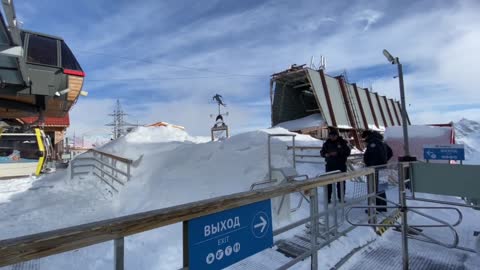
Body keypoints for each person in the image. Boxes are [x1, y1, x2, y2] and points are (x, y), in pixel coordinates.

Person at [362, 130, 393, 212]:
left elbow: (371, 156)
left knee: (374, 189)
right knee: (381, 188)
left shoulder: (373, 143)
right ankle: (383, 207)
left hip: (375, 169)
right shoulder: (382, 142)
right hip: (383, 167)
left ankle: (376, 208)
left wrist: (370, 164)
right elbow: (390, 152)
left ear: (368, 136)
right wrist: (384, 161)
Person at [320, 129, 351, 203]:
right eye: (330, 136)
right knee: (328, 182)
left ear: (337, 136)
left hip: (340, 165)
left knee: (341, 182)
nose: (332, 137)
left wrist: (337, 153)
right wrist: (325, 154)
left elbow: (347, 152)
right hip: (330, 165)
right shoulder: (326, 143)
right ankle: (328, 199)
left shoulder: (342, 142)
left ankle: (341, 198)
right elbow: (322, 152)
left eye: (333, 136)